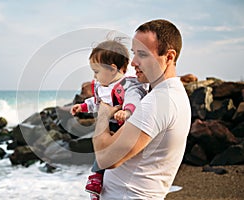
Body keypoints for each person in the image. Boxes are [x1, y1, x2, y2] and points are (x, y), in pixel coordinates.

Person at [92, 19, 191, 199]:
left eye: (143, 55)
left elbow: (105, 158)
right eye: (134, 54)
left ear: (169, 57)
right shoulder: (172, 94)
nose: (133, 62)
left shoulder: (159, 101)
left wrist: (103, 115)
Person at [70, 40, 147, 199]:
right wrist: (82, 107)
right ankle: (97, 181)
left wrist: (126, 112)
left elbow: (134, 100)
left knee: (107, 153)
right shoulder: (102, 88)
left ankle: (97, 178)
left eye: (96, 71)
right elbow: (96, 102)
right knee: (102, 151)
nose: (94, 76)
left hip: (123, 126)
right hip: (110, 125)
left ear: (112, 69)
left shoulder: (128, 85)